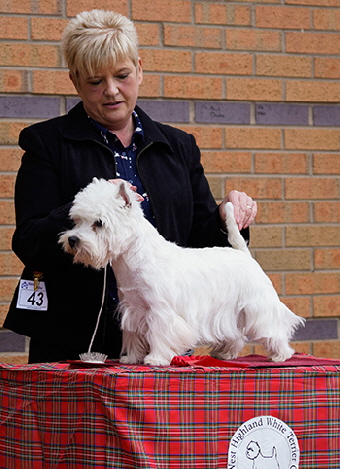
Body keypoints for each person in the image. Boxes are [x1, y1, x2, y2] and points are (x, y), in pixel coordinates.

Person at [4, 9, 257, 363]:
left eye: (122, 75)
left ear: (139, 68)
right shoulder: (46, 143)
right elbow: (29, 242)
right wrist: (89, 211)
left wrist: (226, 216)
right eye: (94, 81)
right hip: (75, 342)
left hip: (161, 341)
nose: (111, 91)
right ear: (75, 81)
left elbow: (199, 242)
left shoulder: (178, 146)